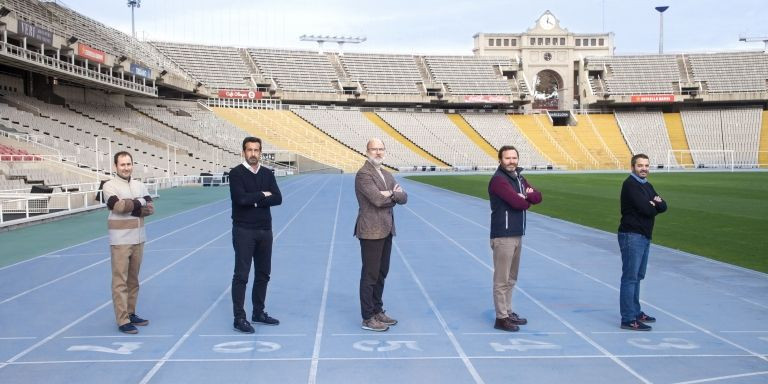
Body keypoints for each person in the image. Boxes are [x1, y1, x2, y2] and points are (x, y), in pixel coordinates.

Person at [229, 137, 282, 333]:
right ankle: (239, 318)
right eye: (249, 150)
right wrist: (262, 195)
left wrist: (255, 200)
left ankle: (258, 312)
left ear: (261, 152)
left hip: (265, 230)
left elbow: (278, 198)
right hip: (244, 230)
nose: (253, 154)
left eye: (256, 150)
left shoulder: (267, 173)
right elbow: (240, 199)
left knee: (263, 274)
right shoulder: (236, 173)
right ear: (243, 152)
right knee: (241, 275)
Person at [354, 138, 407, 332]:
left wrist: (389, 194)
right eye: (374, 149)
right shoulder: (363, 174)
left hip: (386, 229)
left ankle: (377, 310)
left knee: (382, 273)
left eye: (381, 149)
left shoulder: (386, 174)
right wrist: (392, 195)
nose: (378, 152)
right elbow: (376, 200)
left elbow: (404, 197)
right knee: (370, 274)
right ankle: (367, 317)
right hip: (370, 230)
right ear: (367, 151)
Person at [488, 145, 542, 332]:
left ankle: (508, 311)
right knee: (502, 280)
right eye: (507, 158)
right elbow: (517, 202)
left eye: (514, 158)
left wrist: (525, 197)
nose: (511, 161)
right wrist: (524, 199)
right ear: (500, 160)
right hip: (503, 235)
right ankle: (501, 318)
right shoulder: (498, 180)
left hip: (517, 233)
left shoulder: (519, 178)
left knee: (511, 278)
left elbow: (538, 196)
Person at [102, 151, 154, 334]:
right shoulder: (109, 186)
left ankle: (131, 313)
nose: (126, 168)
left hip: (139, 238)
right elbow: (118, 206)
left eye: (129, 164)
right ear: (116, 166)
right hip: (120, 241)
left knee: (133, 281)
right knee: (120, 282)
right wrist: (139, 203)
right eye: (122, 164)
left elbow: (150, 208)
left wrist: (133, 205)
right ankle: (122, 319)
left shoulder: (139, 185)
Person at [618, 153, 667, 331]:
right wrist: (653, 204)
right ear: (633, 167)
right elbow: (647, 209)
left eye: (646, 165)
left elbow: (663, 206)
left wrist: (654, 204)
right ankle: (628, 318)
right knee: (630, 278)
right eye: (640, 165)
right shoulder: (630, 185)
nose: (644, 168)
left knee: (638, 277)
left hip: (644, 235)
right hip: (632, 235)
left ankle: (636, 312)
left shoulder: (647, 185)